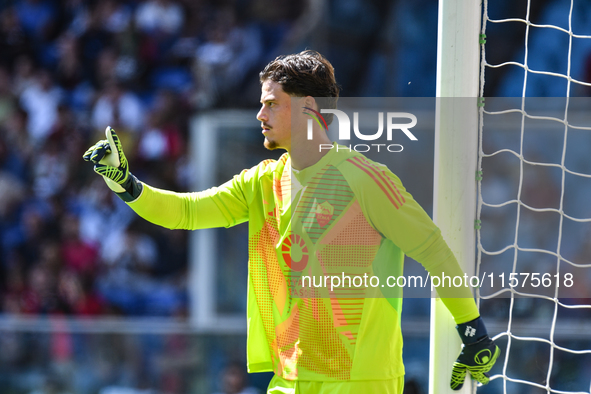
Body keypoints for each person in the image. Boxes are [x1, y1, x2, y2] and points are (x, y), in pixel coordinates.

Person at [83, 50, 499, 393]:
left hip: (360, 381)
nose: (260, 114)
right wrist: (125, 183)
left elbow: (431, 249)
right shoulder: (262, 182)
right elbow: (186, 212)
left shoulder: (367, 178)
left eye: (271, 103)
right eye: (261, 103)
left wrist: (472, 328)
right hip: (289, 379)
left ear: (308, 109)